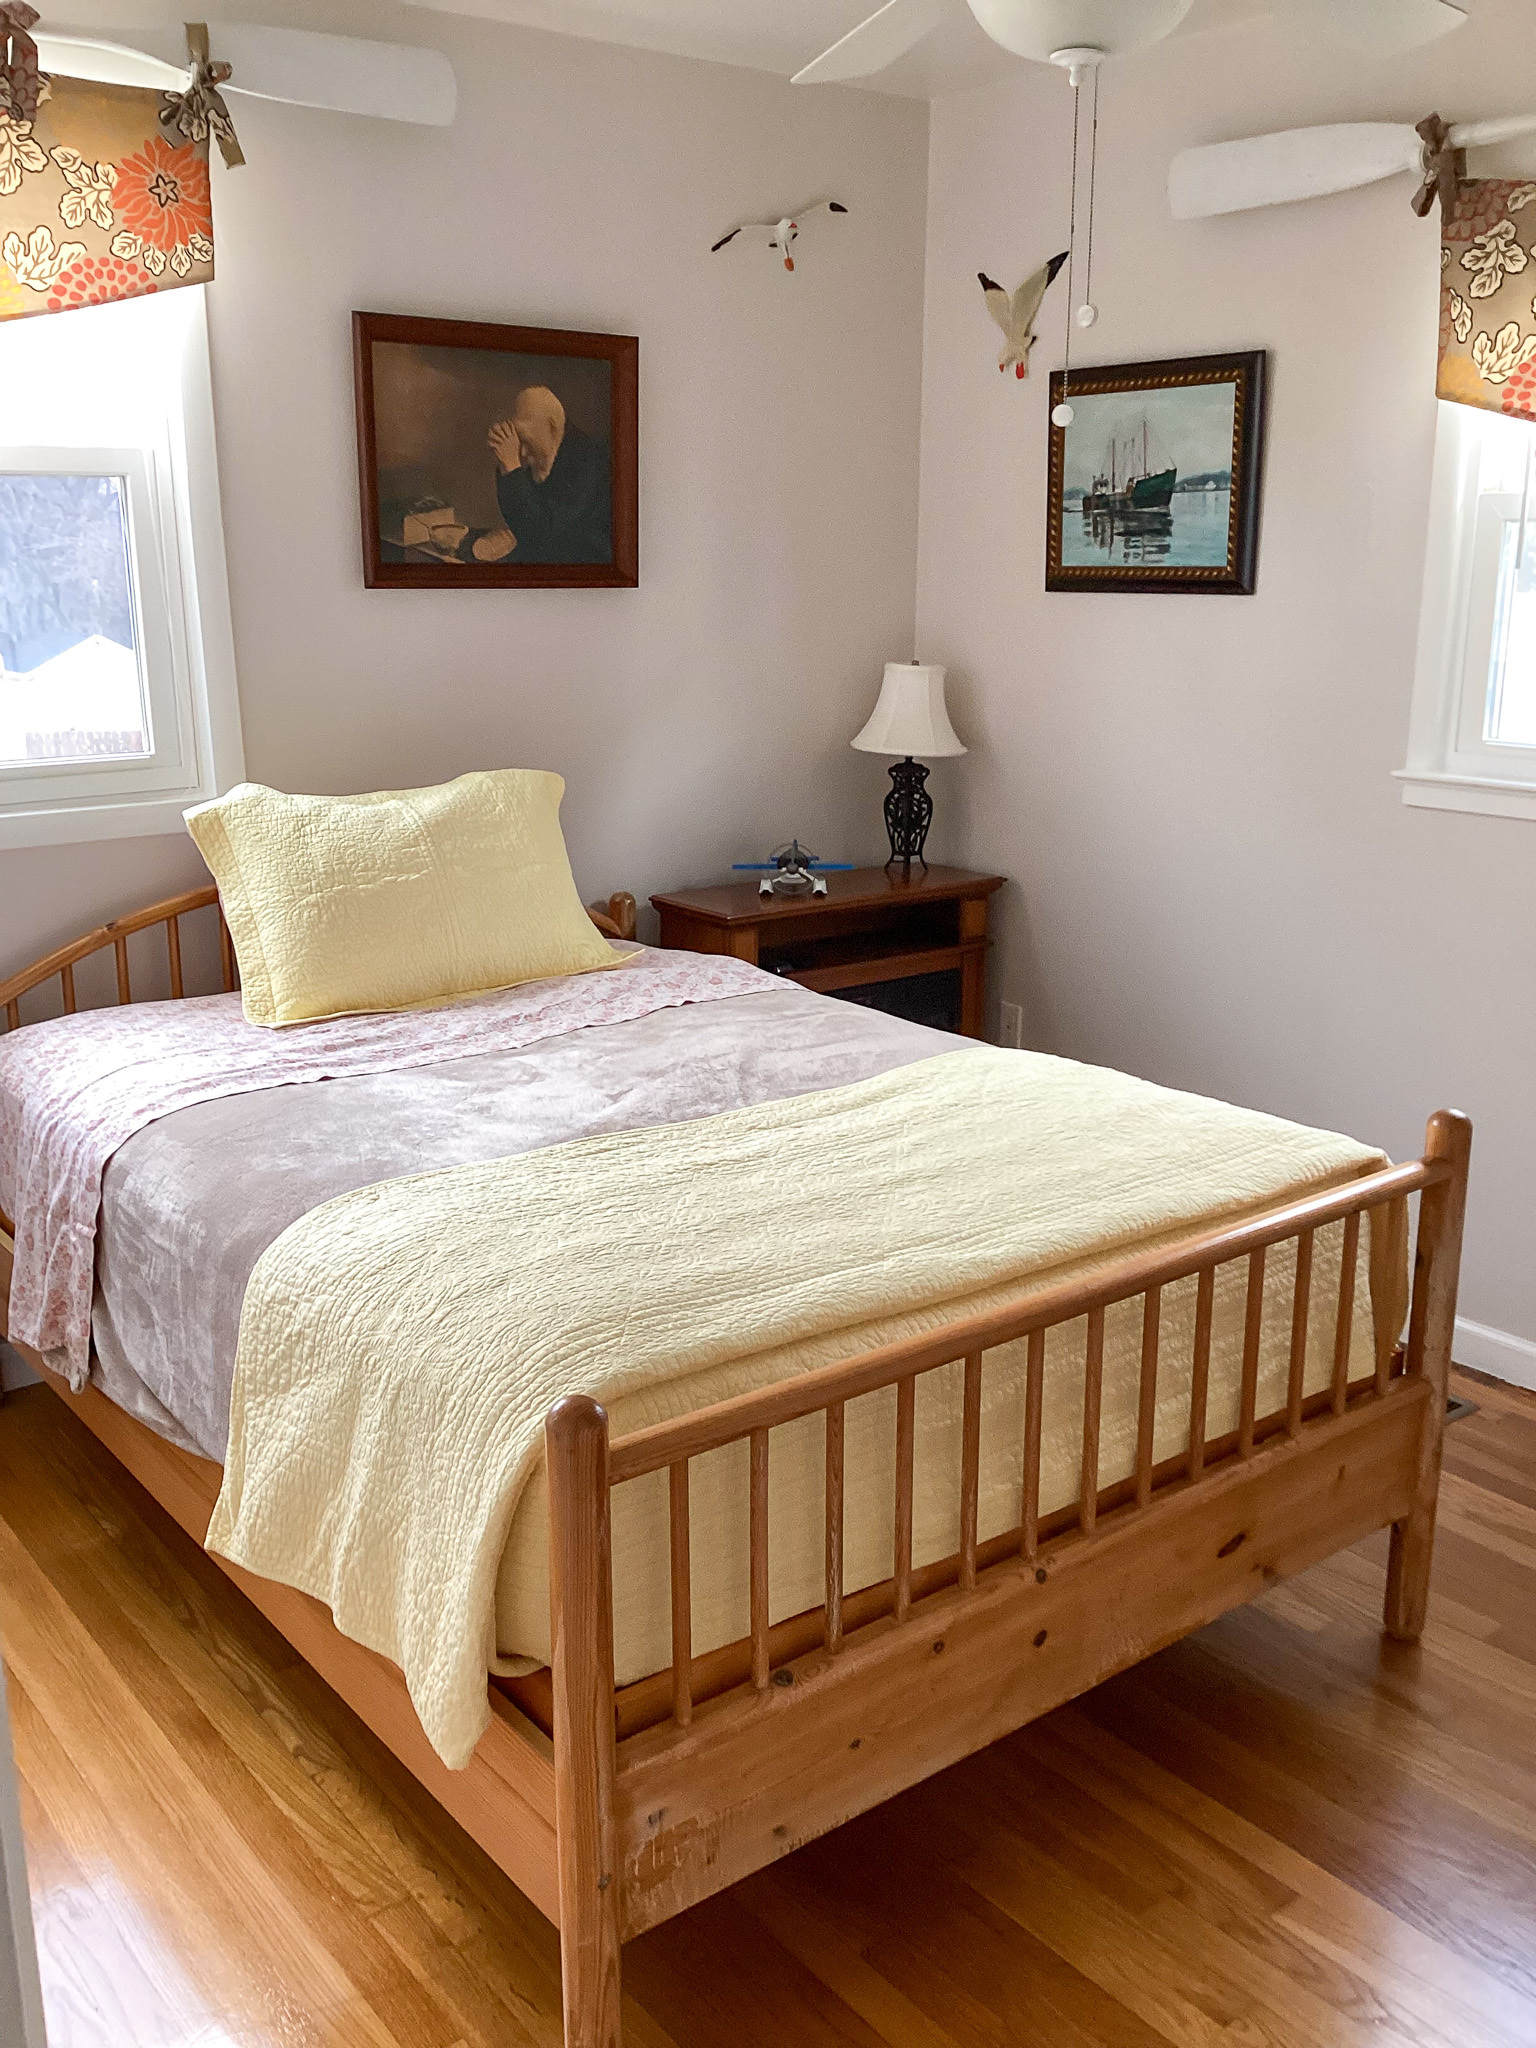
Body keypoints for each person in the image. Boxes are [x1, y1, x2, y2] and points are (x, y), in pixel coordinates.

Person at [477, 386, 611, 564]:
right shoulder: (543, 452)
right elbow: (521, 524)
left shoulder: (585, 459)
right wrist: (506, 467)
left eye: (526, 441)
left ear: (552, 427)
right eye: (518, 442)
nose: (522, 453)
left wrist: (511, 467)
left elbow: (541, 533)